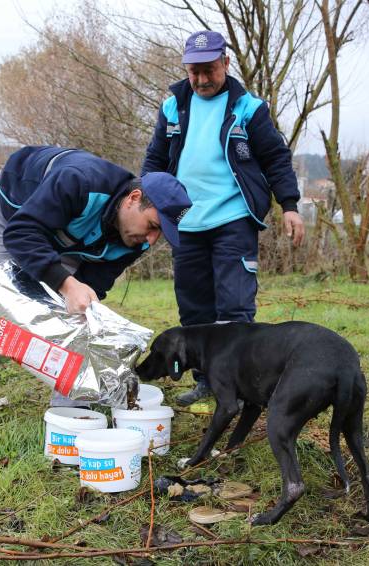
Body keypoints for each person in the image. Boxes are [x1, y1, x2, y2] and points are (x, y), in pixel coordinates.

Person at [0, 145, 191, 424]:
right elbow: (20, 234)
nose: (152, 240)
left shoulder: (134, 239)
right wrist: (66, 284)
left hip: (65, 238)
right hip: (9, 213)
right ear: (133, 198)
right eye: (153, 225)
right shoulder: (80, 180)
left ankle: (69, 408)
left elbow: (92, 286)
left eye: (161, 233)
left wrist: (76, 296)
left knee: (77, 316)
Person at [142, 30, 305, 406]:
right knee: (194, 310)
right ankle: (206, 382)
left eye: (208, 70)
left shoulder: (248, 108)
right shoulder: (172, 107)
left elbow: (276, 159)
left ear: (226, 64)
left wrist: (290, 205)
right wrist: (148, 201)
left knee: (234, 308)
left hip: (233, 218)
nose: (200, 80)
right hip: (186, 224)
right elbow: (153, 161)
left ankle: (244, 386)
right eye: (193, 72)